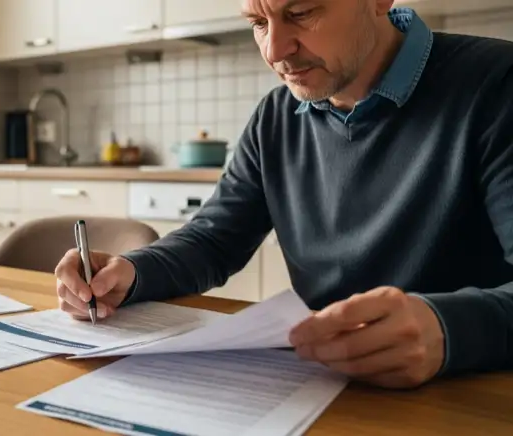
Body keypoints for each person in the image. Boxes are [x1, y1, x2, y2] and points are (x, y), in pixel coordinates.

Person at [54, 0, 513, 389]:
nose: (275, 50)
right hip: (319, 384)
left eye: (300, 12)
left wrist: (447, 329)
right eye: (258, 22)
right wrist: (130, 272)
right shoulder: (276, 116)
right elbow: (215, 239)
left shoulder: (497, 86)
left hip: (465, 393)